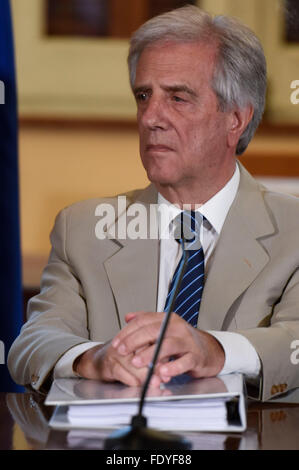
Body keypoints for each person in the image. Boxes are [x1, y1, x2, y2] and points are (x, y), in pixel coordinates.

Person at [8, 6, 299, 401]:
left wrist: (213, 350)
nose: (150, 118)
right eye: (143, 96)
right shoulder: (84, 228)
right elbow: (31, 345)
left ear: (236, 119)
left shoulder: (292, 230)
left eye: (178, 98)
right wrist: (90, 359)